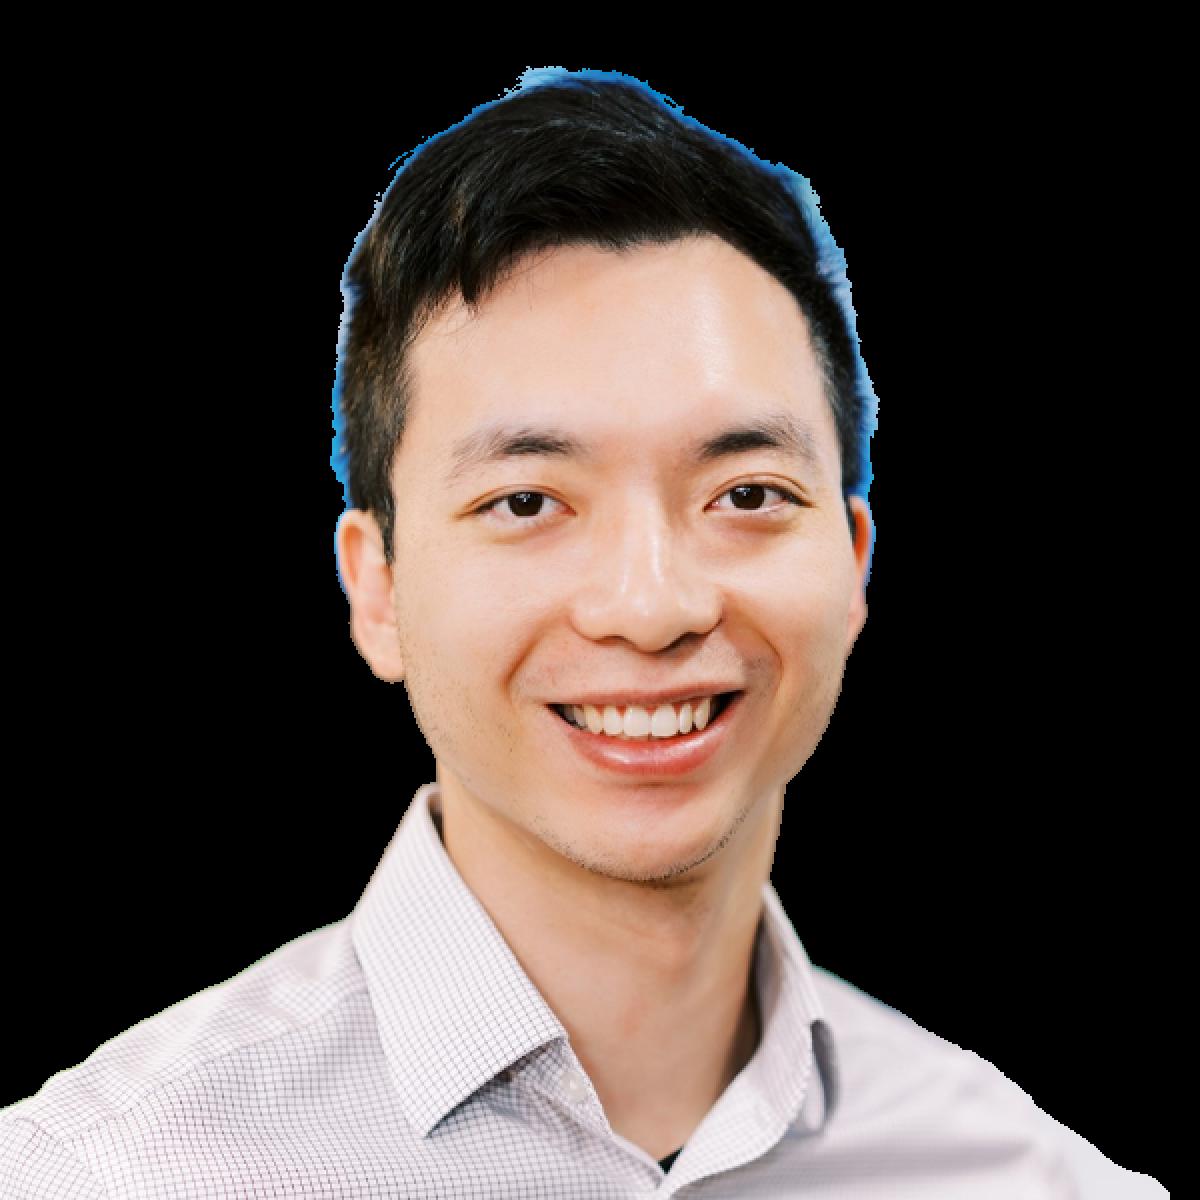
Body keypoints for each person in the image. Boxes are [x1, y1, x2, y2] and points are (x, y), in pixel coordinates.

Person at [0, 68, 1165, 1198]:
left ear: (855, 561)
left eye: (747, 495)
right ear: (378, 589)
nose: (651, 608)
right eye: (526, 503)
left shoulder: (1030, 1180)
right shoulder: (111, 1175)